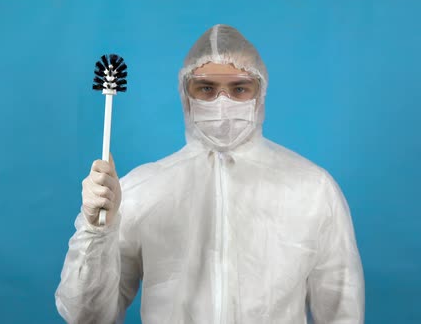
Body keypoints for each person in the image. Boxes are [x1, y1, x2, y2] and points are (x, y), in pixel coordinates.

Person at [55, 24, 365, 324]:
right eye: (206, 88)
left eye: (239, 88)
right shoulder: (143, 189)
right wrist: (97, 231)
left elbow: (342, 314)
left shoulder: (312, 189)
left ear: (260, 93)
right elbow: (87, 317)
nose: (222, 103)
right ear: (184, 94)